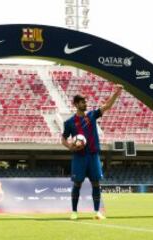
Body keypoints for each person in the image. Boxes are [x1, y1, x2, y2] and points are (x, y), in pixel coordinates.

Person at [61, 84, 123, 220]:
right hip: (79, 157)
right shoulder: (69, 123)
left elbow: (107, 106)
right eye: (83, 102)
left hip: (93, 156)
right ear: (76, 104)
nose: (85, 104)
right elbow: (63, 139)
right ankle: (74, 212)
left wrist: (116, 94)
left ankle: (97, 212)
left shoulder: (92, 115)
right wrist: (71, 146)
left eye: (86, 102)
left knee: (96, 183)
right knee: (77, 184)